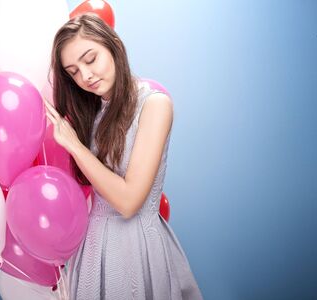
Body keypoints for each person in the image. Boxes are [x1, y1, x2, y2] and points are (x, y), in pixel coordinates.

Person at [44, 14, 203, 300]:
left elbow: (129, 202)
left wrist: (75, 146)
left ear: (114, 45)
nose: (85, 76)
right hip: (93, 247)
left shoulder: (154, 104)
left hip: (137, 247)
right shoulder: (91, 114)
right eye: (73, 71)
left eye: (90, 59)